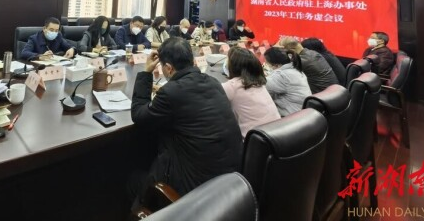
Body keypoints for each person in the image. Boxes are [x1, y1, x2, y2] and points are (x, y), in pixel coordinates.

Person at [130, 37, 242, 207]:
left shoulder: (171, 92)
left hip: (195, 189)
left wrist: (146, 72)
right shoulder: (214, 83)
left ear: (168, 68)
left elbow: (139, 116)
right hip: (228, 181)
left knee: (132, 180)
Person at [222, 47, 280, 138]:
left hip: (255, 138)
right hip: (277, 132)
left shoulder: (231, 86)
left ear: (232, 66)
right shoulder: (259, 83)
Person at [264, 47, 311, 117]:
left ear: (276, 65)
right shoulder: (295, 69)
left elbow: (261, 88)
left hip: (292, 117)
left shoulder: (281, 75)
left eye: (267, 63)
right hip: (303, 113)